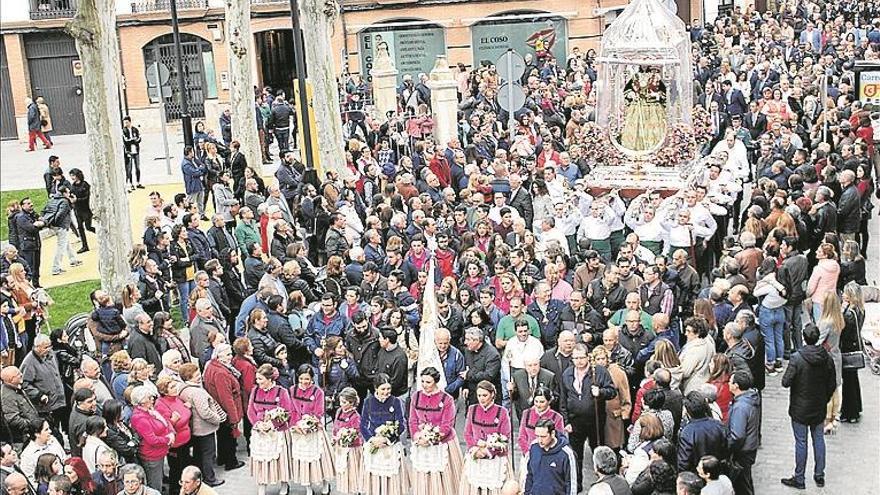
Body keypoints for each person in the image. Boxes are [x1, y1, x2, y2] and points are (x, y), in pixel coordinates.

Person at [780, 321, 836, 490]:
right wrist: (824, 398)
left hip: (800, 407)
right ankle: (819, 475)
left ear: (804, 338)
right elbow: (832, 383)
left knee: (801, 442)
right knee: (818, 439)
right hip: (818, 405)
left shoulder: (797, 358)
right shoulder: (827, 357)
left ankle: (799, 478)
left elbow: (785, 382)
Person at [558, 343, 616, 493]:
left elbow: (612, 391)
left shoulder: (599, 372)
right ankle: (577, 487)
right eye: (575, 358)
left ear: (588, 357)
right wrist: (566, 421)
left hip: (595, 420)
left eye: (582, 357)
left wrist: (601, 392)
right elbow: (563, 399)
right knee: (576, 456)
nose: (579, 361)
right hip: (575, 421)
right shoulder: (567, 374)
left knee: (598, 453)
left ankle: (602, 485)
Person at [408, 367, 464, 494]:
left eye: (428, 382)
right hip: (421, 441)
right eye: (422, 381)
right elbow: (413, 420)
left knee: (444, 482)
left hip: (442, 443)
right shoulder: (415, 397)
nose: (424, 385)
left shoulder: (447, 399)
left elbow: (447, 425)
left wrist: (431, 439)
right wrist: (417, 436)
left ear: (435, 381)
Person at [247, 364, 293, 495]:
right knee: (261, 460)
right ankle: (262, 485)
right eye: (257, 379)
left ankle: (284, 484)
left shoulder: (281, 391)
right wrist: (257, 424)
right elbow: (250, 410)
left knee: (280, 459)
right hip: (260, 431)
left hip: (277, 431)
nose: (258, 382)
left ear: (269, 379)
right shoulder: (255, 391)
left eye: (260, 379)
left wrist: (272, 424)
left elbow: (287, 412)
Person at [360, 374, 409, 495]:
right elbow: (363, 424)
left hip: (389, 445)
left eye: (388, 389)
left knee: (391, 483)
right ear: (376, 388)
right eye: (383, 389)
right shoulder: (368, 402)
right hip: (374, 444)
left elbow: (401, 424)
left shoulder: (396, 401)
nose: (386, 392)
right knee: (375, 481)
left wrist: (387, 439)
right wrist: (372, 440)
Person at [460, 380, 511, 495]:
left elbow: (505, 437)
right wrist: (474, 449)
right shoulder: (472, 409)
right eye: (479, 395)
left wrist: (488, 451)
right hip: (475, 456)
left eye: (484, 395)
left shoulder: (502, 412)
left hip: (495, 459)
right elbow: (467, 433)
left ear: (492, 394)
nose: (481, 398)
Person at [128, 386, 172, 491]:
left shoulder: (148, 410)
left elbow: (164, 423)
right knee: (154, 485)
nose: (152, 399)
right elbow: (152, 440)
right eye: (149, 398)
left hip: (158, 453)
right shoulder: (140, 418)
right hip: (151, 456)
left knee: (158, 480)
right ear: (142, 402)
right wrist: (167, 439)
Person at [153, 376, 191, 491]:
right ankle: (175, 491)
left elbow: (184, 414)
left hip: (185, 440)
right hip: (175, 444)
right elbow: (165, 426)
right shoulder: (161, 404)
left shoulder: (176, 398)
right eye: (172, 387)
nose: (176, 388)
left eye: (175, 385)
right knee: (176, 470)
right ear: (164, 391)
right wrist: (175, 419)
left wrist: (186, 410)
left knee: (184, 466)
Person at [726, 371, 760, 495]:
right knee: (746, 481)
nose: (728, 384)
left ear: (736, 386)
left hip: (743, 452)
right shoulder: (749, 399)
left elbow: (737, 435)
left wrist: (728, 447)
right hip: (749, 448)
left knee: (742, 486)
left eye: (730, 382)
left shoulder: (740, 407)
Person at [523, 418, 577, 495]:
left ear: (552, 433)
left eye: (543, 436)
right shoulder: (534, 447)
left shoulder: (566, 454)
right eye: (537, 436)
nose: (539, 440)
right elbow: (530, 474)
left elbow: (572, 483)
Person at [122, 117, 143, 191]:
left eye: (127, 122)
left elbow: (139, 139)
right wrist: (133, 140)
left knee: (137, 167)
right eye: (125, 122)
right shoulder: (124, 130)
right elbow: (126, 141)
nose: (126, 124)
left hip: (136, 150)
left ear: (130, 122)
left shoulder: (135, 129)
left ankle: (138, 182)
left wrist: (134, 140)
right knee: (129, 168)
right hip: (129, 151)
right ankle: (130, 184)